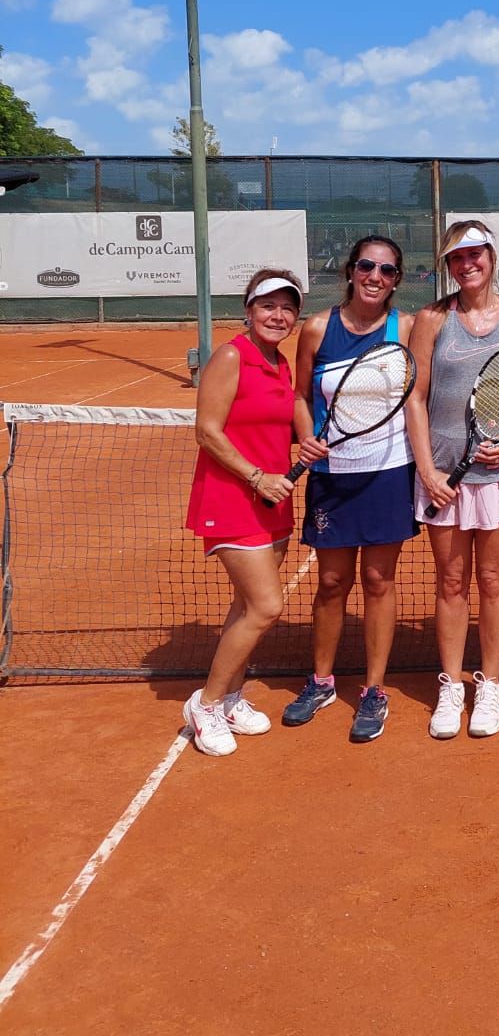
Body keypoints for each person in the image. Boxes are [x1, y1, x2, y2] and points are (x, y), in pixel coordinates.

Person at [406, 221, 499, 740]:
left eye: (475, 254)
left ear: (491, 257)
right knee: (450, 581)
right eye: (457, 259)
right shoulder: (431, 319)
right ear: (448, 266)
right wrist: (428, 471)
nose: (468, 265)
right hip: (444, 472)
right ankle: (451, 685)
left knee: (493, 580)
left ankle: (489, 685)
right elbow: (415, 398)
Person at [282, 235, 418, 743]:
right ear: (350, 270)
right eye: (367, 266)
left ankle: (375, 690)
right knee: (333, 584)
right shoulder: (318, 327)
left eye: (386, 271)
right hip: (332, 475)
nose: (375, 277)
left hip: (388, 472)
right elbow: (300, 394)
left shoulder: (405, 327)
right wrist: (305, 437)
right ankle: (320, 682)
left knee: (379, 582)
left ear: (397, 280)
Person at [184, 269, 316, 757]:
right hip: (232, 498)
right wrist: (257, 476)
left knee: (243, 606)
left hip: (273, 499)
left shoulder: (278, 364)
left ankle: (232, 696)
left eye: (287, 308)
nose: (277, 315)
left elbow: (274, 426)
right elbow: (207, 431)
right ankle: (207, 704)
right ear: (248, 309)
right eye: (267, 305)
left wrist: (304, 445)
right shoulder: (231, 356)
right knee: (266, 606)